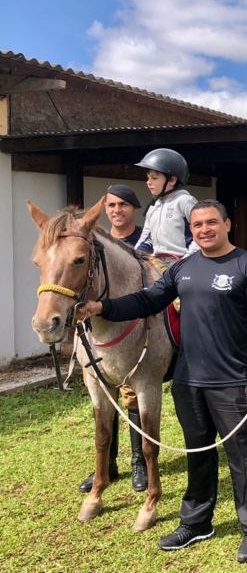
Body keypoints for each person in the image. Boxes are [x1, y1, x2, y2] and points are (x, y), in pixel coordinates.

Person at [83, 199, 247, 564]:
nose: (204, 229)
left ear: (227, 224)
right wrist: (102, 308)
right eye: (198, 225)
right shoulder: (184, 268)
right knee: (197, 456)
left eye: (211, 223)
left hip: (232, 380)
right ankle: (197, 521)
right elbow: (147, 300)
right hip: (188, 381)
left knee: (242, 459)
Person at [78, 184, 148, 494]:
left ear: (134, 209)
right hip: (101, 330)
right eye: (111, 205)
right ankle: (106, 465)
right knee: (104, 396)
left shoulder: (146, 239)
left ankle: (138, 462)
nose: (116, 210)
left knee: (131, 392)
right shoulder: (96, 242)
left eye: (123, 205)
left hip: (134, 326)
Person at [134, 148, 200, 265]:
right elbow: (147, 237)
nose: (148, 182)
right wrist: (135, 255)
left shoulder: (185, 201)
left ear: (172, 180)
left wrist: (187, 259)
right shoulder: (153, 206)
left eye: (154, 178)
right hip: (157, 262)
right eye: (148, 178)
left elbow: (200, 234)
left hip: (182, 261)